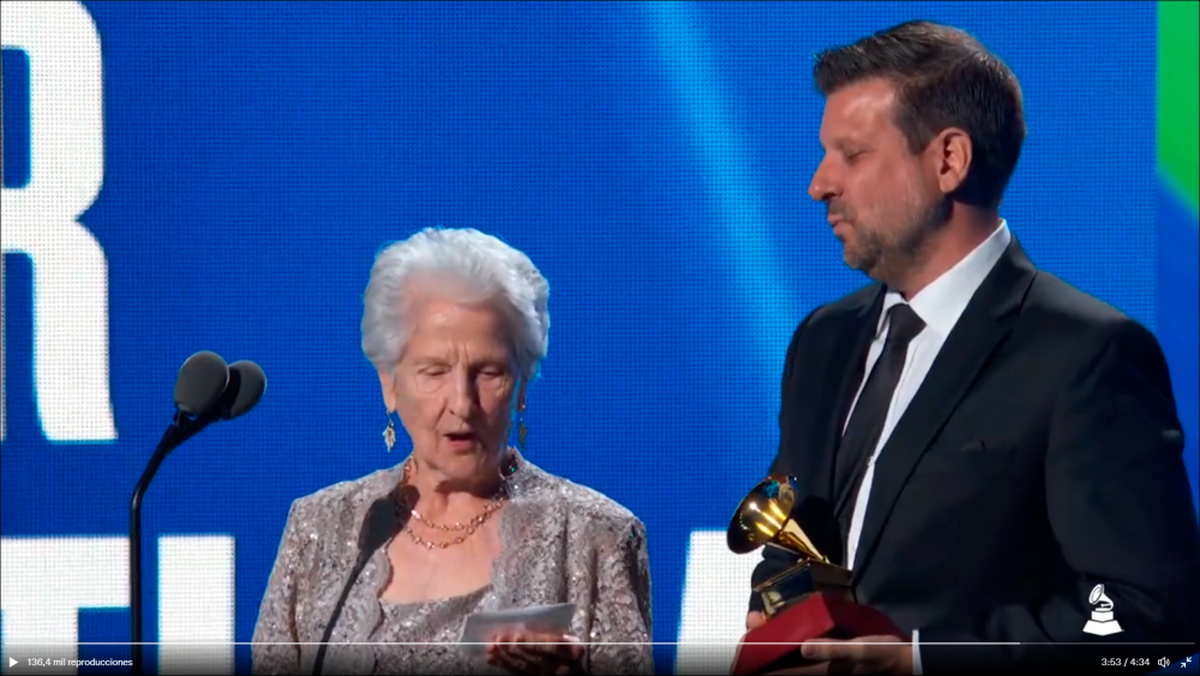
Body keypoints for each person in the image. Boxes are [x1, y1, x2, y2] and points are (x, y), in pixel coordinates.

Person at [745, 20, 1200, 675]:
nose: (819, 184)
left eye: (851, 154)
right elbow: (792, 545)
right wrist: (776, 621)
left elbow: (1151, 617)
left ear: (948, 160)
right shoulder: (823, 340)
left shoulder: (1087, 354)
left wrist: (923, 662)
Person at [252, 227, 654, 675]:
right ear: (389, 383)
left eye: (489, 372)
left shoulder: (594, 536)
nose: (462, 403)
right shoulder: (318, 528)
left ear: (521, 385)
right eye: (434, 371)